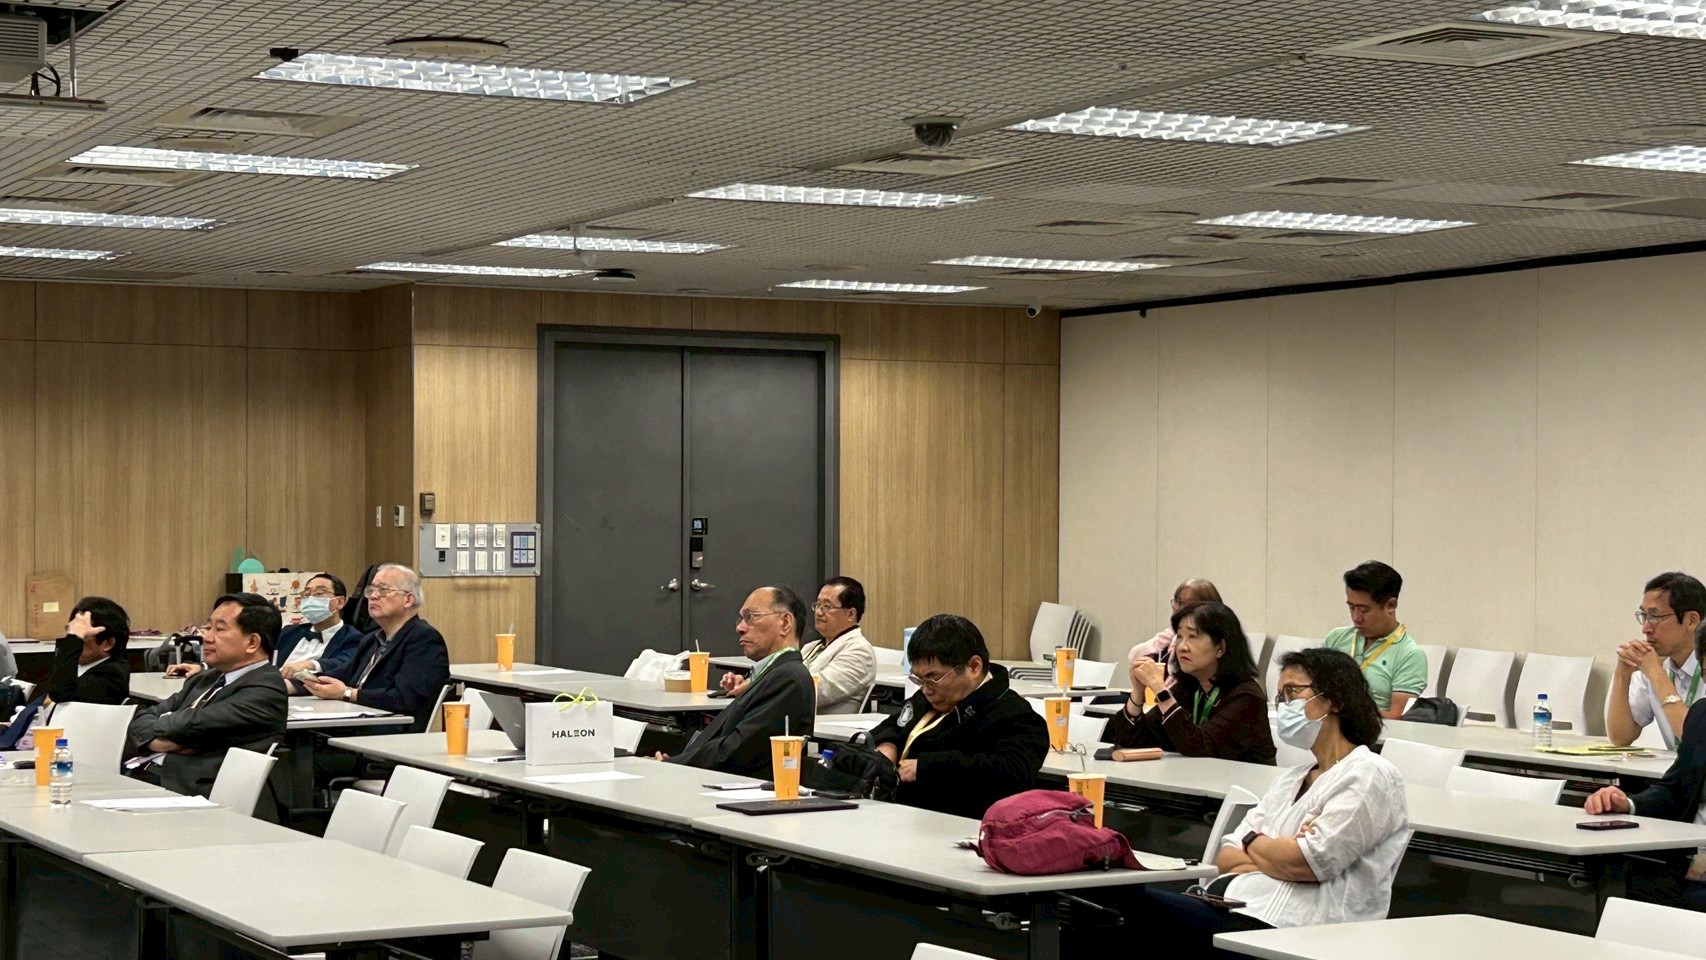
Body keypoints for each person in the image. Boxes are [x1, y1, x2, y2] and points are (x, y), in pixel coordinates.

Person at [1122, 647, 1408, 953]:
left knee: (1128, 905)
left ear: (1335, 700)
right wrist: (1276, 852)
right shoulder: (1291, 779)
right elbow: (1226, 858)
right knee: (1113, 903)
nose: (1284, 705)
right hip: (1238, 907)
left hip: (1297, 931)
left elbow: (1304, 863)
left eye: (1292, 692)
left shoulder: (1368, 774)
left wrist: (1254, 842)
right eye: (1280, 697)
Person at [870, 614, 1048, 819]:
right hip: (898, 815)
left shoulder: (1018, 718)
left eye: (933, 678)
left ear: (974, 666)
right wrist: (887, 747)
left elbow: (1010, 773)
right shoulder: (930, 697)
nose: (926, 689)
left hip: (956, 824)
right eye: (919, 679)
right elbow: (895, 724)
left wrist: (926, 767)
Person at [126, 592, 288, 798]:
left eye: (219, 629)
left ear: (252, 643)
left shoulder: (266, 690)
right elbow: (141, 718)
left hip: (192, 792)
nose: (206, 637)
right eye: (209, 627)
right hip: (148, 773)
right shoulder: (207, 678)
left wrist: (159, 727)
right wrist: (155, 741)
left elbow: (189, 724)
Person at [662, 586, 816, 777]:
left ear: (785, 623)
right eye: (741, 619)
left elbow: (736, 752)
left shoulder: (788, 679)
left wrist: (670, 765)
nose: (740, 628)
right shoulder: (772, 674)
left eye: (751, 617)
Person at [1105, 601, 1274, 764]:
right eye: (1179, 637)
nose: (1182, 647)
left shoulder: (1246, 697)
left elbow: (1200, 748)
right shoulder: (1189, 687)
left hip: (1239, 782)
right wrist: (1137, 693)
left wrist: (1160, 689)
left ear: (1220, 648)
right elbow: (1132, 743)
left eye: (1192, 637)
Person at [285, 564, 448, 732]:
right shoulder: (372, 639)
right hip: (356, 720)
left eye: (383, 590)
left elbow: (405, 698)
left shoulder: (424, 639)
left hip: (389, 731)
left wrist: (347, 693)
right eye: (371, 590)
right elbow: (341, 674)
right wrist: (289, 685)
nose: (373, 596)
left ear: (408, 599)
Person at [1608, 572, 1706, 749]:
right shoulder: (1653, 665)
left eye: (1655, 617)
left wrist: (1656, 675)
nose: (1645, 628)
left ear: (1691, 621)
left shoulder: (1654, 669)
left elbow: (1698, 740)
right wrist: (1622, 674)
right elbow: (1620, 737)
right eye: (1644, 616)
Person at [1321, 561, 1426, 720]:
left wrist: (1343, 713)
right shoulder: (1336, 638)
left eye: (1364, 610)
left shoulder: (1410, 655)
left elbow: (1396, 717)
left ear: (1391, 605)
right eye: (1351, 607)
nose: (1356, 618)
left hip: (1374, 731)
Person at [801, 576, 877, 714]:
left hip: (824, 725)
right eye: (818, 605)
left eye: (827, 606)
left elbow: (818, 691)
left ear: (850, 614)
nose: (818, 612)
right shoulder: (810, 647)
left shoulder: (859, 652)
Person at [1127, 579, 1222, 684]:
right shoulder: (1168, 638)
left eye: (1192, 636)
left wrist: (1158, 687)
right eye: (1178, 602)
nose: (1180, 609)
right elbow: (1135, 656)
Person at [46, 596, 131, 706]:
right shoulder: (78, 665)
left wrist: (74, 639)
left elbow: (60, 694)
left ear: (108, 643)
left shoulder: (111, 676)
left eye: (82, 634)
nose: (75, 642)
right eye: (73, 630)